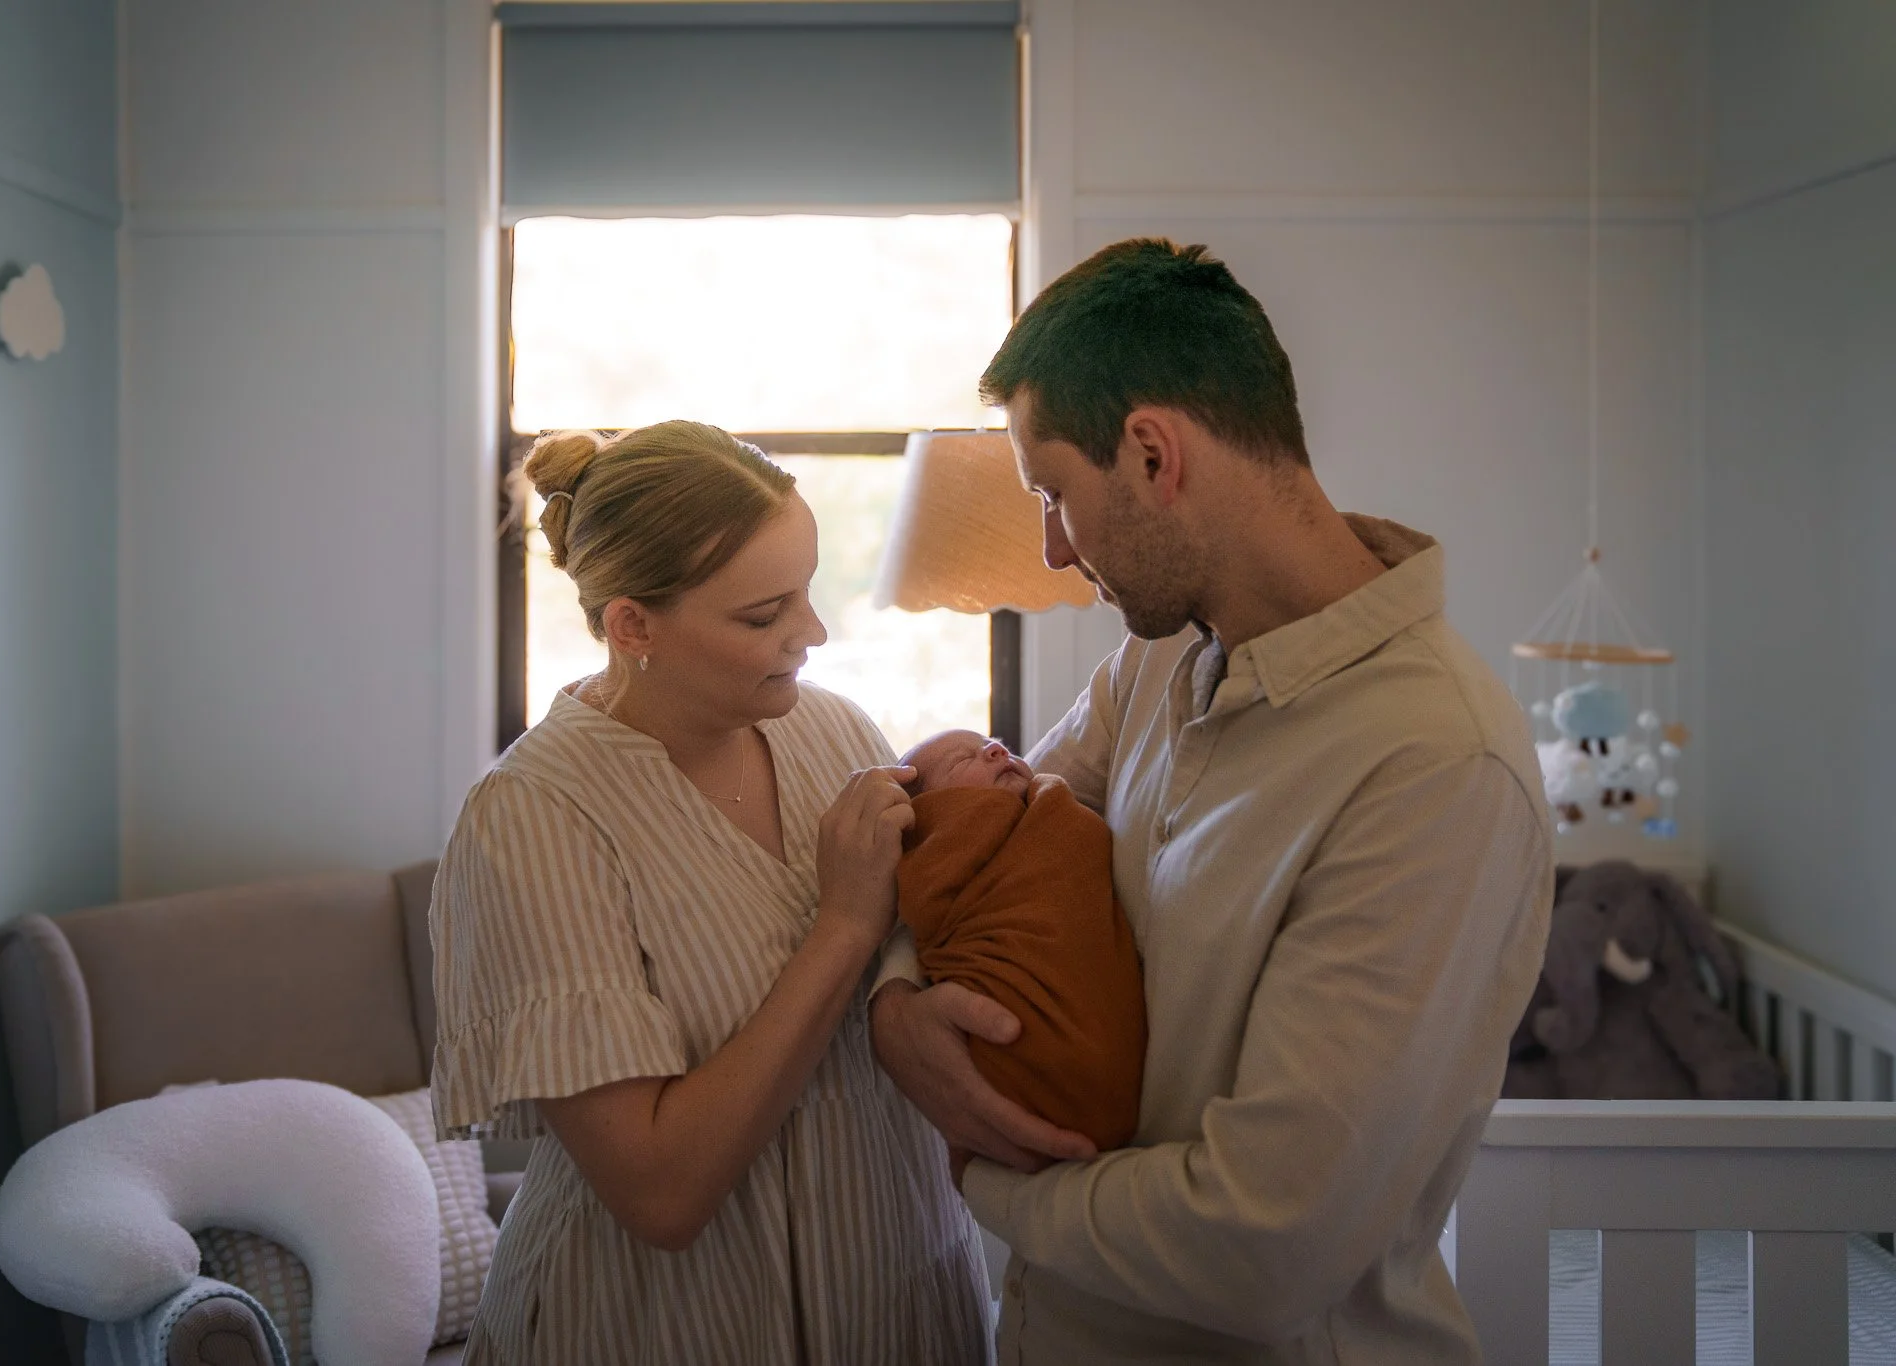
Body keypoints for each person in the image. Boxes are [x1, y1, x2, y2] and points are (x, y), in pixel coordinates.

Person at [870, 240, 1555, 1364]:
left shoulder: (1433, 764)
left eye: (1054, 496)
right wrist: (895, 1013)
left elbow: (1263, 1244)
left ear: (1150, 454)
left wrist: (996, 1189)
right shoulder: (1154, 669)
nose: (1052, 549)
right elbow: (971, 841)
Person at [431, 421, 992, 1365]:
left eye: (806, 594)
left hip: (896, 1295)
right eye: (762, 615)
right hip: (654, 1325)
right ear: (632, 625)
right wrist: (845, 925)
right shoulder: (533, 818)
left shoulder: (839, 736)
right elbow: (660, 1193)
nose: (810, 635)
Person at [894, 729, 1145, 1150]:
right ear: (931, 814)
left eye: (998, 746)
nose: (997, 750)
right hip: (1015, 1032)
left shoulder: (1046, 815)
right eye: (963, 760)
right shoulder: (939, 850)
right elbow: (921, 898)